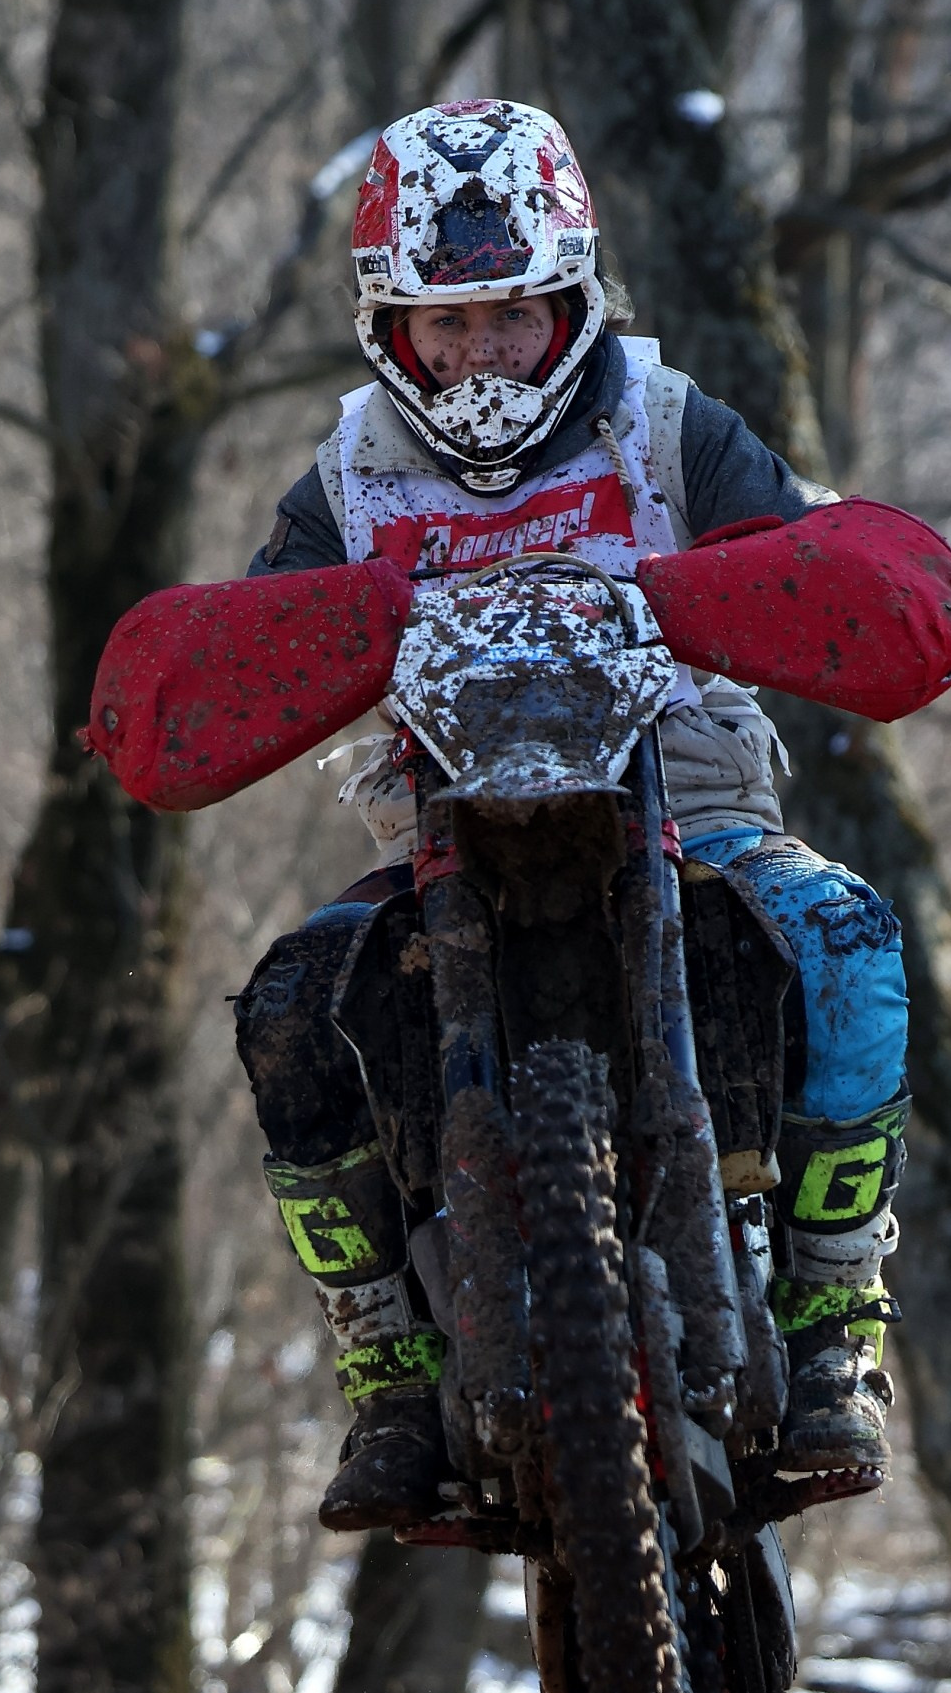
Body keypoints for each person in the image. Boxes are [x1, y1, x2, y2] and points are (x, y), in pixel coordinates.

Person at [227, 99, 912, 1531]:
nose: (481, 357)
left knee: (850, 941)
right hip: (438, 834)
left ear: (574, 300)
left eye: (515, 319)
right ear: (389, 327)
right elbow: (255, 641)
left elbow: (797, 548)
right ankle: (391, 1361)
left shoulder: (666, 424)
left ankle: (835, 1310)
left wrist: (800, 577)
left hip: (689, 799)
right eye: (445, 326)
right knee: (288, 1003)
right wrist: (239, 661)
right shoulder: (346, 479)